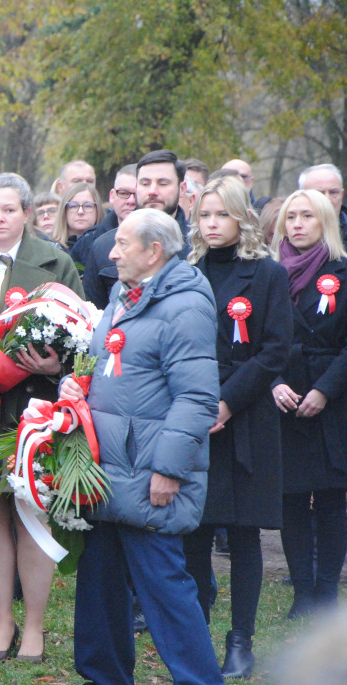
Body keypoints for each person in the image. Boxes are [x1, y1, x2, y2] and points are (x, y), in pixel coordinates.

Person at [60, 207, 222, 685]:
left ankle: (198, 678)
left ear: (154, 251)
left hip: (149, 472)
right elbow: (107, 363)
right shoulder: (123, 296)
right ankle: (104, 675)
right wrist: (76, 384)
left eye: (123, 244)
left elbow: (196, 396)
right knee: (100, 588)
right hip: (107, 469)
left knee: (164, 590)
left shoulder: (184, 305)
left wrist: (169, 469)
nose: (111, 253)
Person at [0, 173, 83, 664]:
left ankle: (34, 628)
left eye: (8, 210)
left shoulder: (57, 262)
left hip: (38, 408)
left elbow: (83, 336)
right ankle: (0, 622)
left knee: (31, 512)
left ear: (27, 212)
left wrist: (56, 365)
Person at [182, 177, 292, 678]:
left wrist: (226, 402)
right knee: (194, 533)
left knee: (244, 534)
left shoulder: (266, 274)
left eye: (221, 215)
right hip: (191, 416)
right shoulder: (185, 271)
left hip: (246, 418)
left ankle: (240, 639)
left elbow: (275, 350)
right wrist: (199, 403)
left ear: (241, 218)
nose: (212, 224)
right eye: (204, 215)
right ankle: (195, 633)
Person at [271, 189, 347, 619]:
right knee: (292, 498)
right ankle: (302, 591)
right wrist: (274, 383)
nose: (297, 224)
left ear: (325, 222)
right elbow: (258, 342)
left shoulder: (342, 271)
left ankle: (326, 593)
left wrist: (325, 389)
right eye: (291, 216)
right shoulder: (267, 274)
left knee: (332, 498)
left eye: (307, 216)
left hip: (332, 400)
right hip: (285, 400)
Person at [83, 150, 189, 308]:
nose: (152, 191)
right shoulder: (104, 246)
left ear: (182, 188)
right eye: (145, 183)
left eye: (163, 183)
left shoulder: (199, 244)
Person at [71, 164, 137, 269]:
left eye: (137, 194)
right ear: (112, 196)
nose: (131, 201)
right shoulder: (87, 244)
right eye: (123, 193)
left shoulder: (163, 239)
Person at [298, 163, 347, 242]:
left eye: (333, 192)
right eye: (319, 193)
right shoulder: (285, 234)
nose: (327, 199)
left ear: (341, 195)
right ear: (301, 197)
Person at [50, 182, 101, 252]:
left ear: (97, 210)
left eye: (88, 205)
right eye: (73, 206)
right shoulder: (51, 249)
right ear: (64, 210)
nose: (80, 212)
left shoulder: (107, 247)